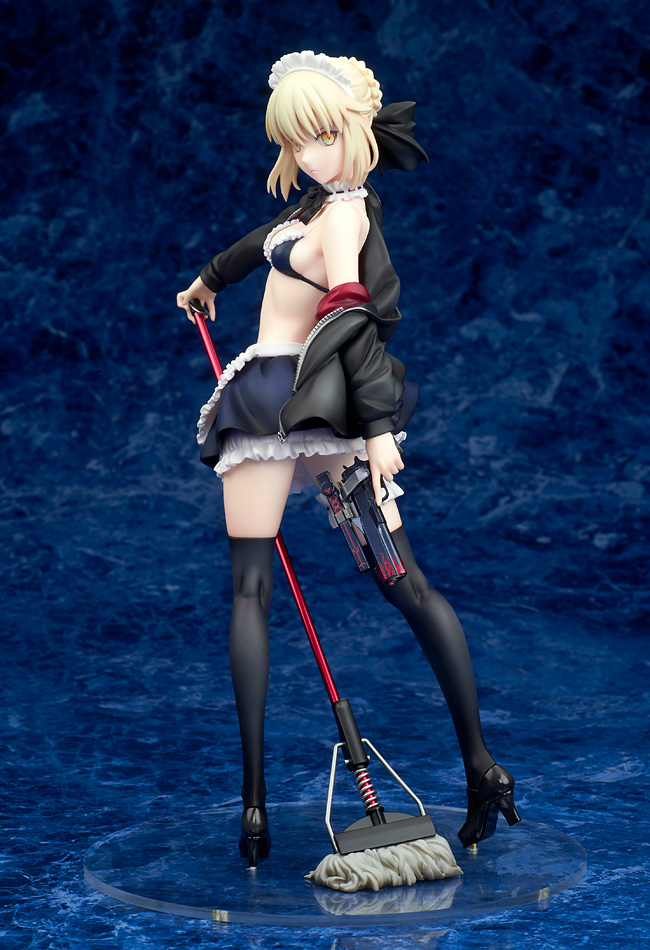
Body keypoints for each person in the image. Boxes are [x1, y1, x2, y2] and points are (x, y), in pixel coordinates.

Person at [177, 50, 520, 866]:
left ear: (359, 132)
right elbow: (264, 244)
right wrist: (210, 278)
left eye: (323, 137)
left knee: (272, 590)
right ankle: (477, 767)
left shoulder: (344, 218)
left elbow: (351, 316)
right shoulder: (316, 209)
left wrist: (376, 429)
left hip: (287, 405)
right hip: (302, 407)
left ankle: (259, 808)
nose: (309, 154)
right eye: (296, 142)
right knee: (392, 584)